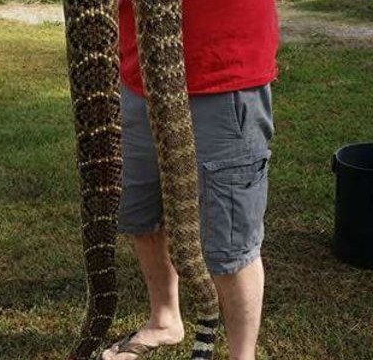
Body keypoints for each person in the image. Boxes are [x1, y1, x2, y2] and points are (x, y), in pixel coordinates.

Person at [102, 1, 279, 359]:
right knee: (142, 213)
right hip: (138, 74)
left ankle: (241, 356)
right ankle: (165, 319)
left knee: (231, 240)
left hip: (223, 70)